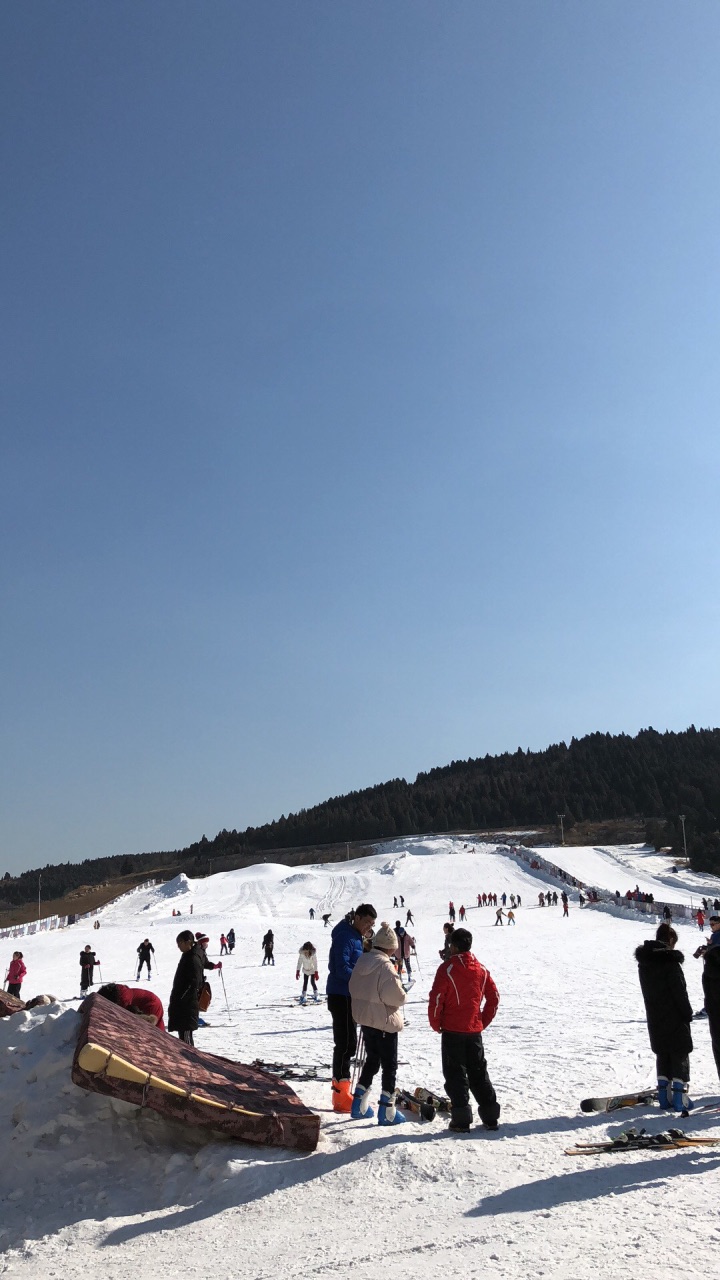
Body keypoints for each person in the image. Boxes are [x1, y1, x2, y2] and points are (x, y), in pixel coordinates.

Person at [428, 927, 500, 1133]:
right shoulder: (481, 969)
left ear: (455, 946)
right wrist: (481, 1021)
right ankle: (490, 1116)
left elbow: (437, 998)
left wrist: (436, 1023)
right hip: (473, 1031)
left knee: (455, 1074)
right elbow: (494, 998)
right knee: (479, 1072)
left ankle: (461, 1119)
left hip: (452, 1030)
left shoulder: (448, 969)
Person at [348, 922, 407, 1125]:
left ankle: (358, 1105)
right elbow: (396, 997)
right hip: (384, 1021)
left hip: (366, 1020)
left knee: (372, 1060)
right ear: (390, 947)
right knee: (389, 1065)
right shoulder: (385, 966)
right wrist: (403, 991)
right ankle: (387, 1112)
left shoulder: (363, 960)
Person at [635, 922, 693, 1112]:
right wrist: (687, 1012)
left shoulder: (645, 962)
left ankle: (663, 1095)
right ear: (670, 940)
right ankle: (679, 1097)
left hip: (655, 1014)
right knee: (679, 1052)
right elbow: (679, 991)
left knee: (663, 1052)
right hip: (674, 1014)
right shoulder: (670, 961)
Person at [326, 902, 377, 1112]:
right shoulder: (346, 936)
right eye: (366, 922)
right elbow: (340, 967)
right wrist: (359, 980)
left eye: (371, 924)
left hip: (349, 994)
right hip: (341, 994)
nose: (368, 927)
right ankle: (340, 1094)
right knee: (345, 1043)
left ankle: (343, 1088)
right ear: (357, 917)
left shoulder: (355, 936)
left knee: (349, 1042)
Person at [168, 931, 205, 1045]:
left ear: (188, 942)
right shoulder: (189, 955)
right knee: (183, 1038)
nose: (178, 946)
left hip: (187, 1006)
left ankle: (191, 1061)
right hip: (183, 1006)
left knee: (186, 1041)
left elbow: (193, 983)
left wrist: (181, 999)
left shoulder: (192, 958)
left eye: (180, 943)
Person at [98, 983, 165, 1030]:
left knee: (151, 1030)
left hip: (151, 1005)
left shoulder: (123, 1000)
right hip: (146, 1003)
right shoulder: (118, 992)